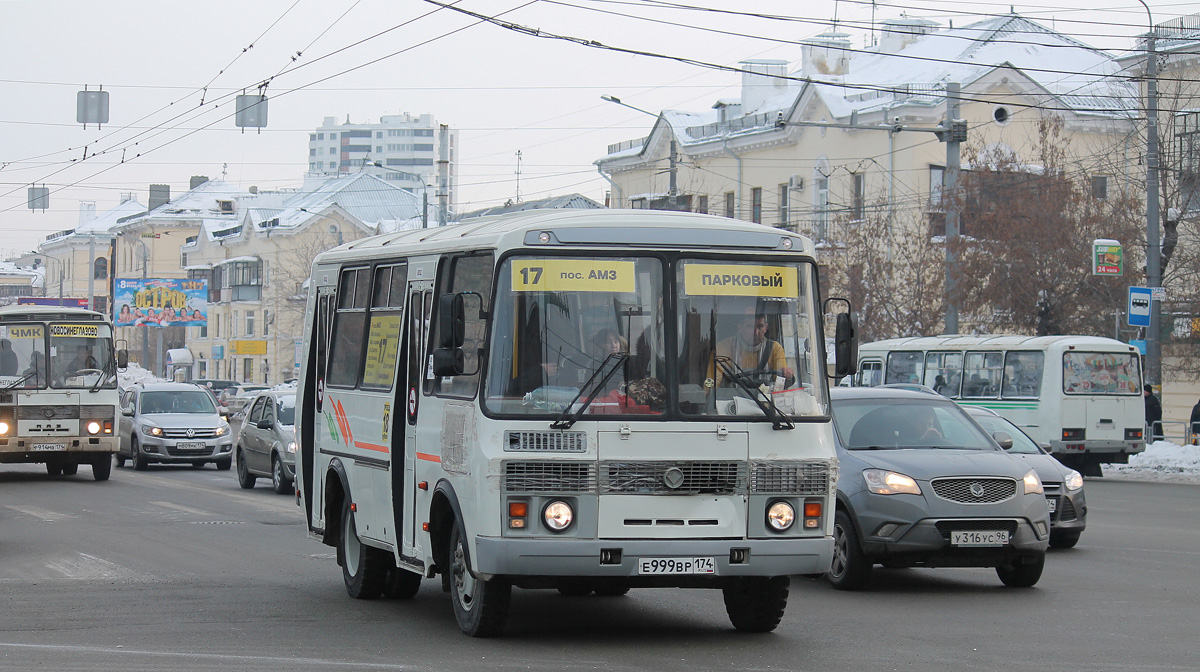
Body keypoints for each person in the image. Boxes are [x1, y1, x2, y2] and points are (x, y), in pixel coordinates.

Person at [711, 308, 794, 387]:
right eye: (750, 326)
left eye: (760, 326)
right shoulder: (723, 347)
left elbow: (780, 381)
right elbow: (712, 382)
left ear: (766, 327)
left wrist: (787, 375)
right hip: (730, 400)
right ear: (740, 327)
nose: (756, 332)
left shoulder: (775, 348)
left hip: (763, 400)